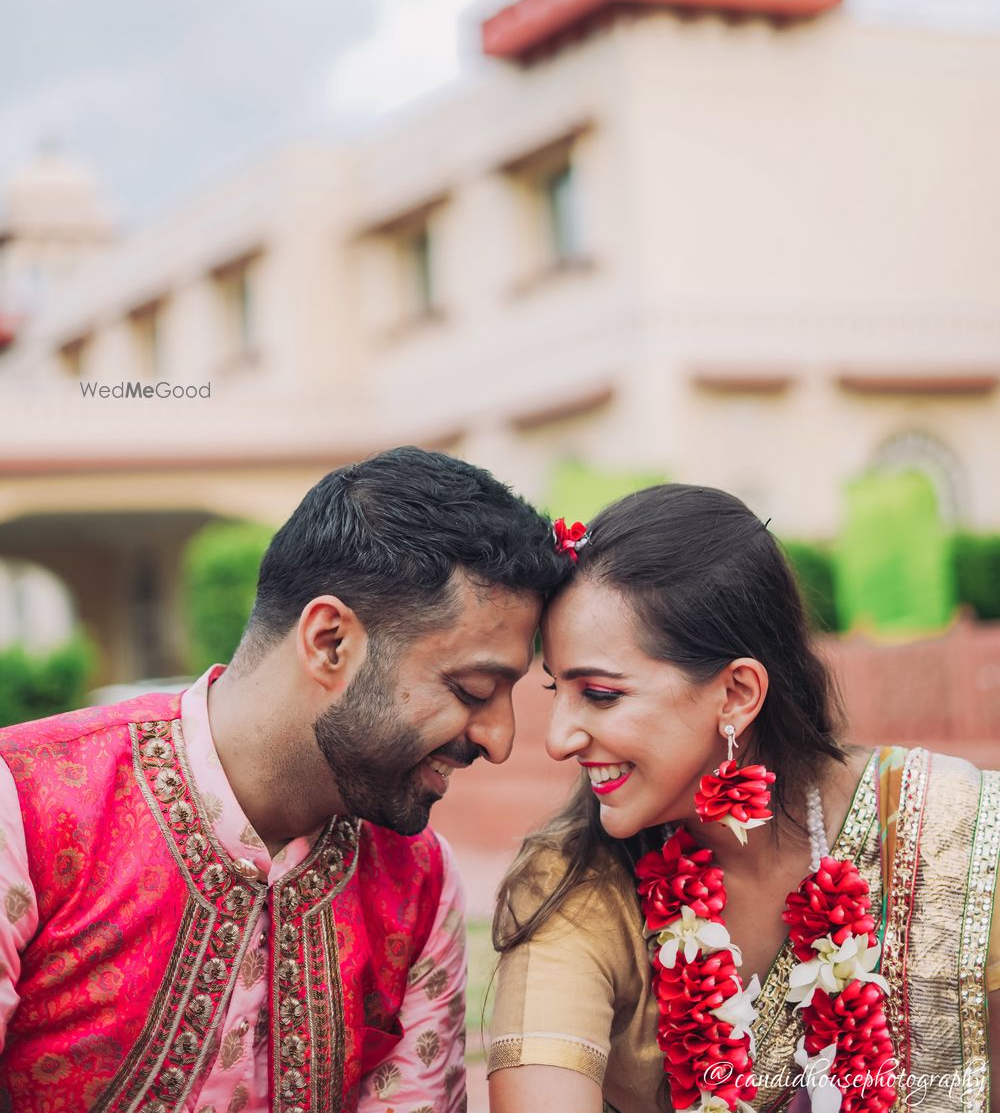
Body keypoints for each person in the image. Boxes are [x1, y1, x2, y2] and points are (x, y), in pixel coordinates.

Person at [0, 446, 565, 1112]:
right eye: (472, 689)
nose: (501, 740)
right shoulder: (28, 804)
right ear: (330, 642)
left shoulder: (419, 883)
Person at [488, 484, 1000, 1113]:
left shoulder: (951, 832)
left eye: (598, 694)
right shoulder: (574, 882)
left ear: (735, 694)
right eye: (554, 691)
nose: (557, 739)